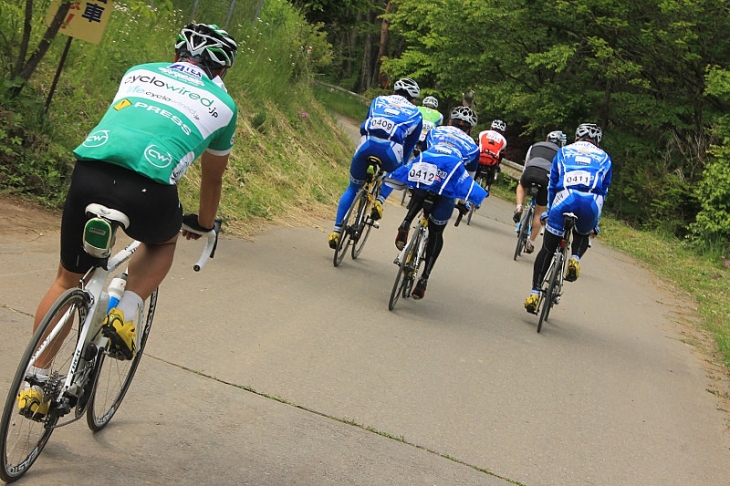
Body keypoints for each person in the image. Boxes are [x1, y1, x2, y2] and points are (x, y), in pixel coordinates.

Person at [17, 23, 238, 418]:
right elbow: (212, 177)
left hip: (91, 170)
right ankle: (127, 310)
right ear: (220, 72)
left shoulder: (138, 71)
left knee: (67, 280)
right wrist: (203, 223)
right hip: (149, 187)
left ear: (176, 55)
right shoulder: (224, 106)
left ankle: (33, 382)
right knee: (162, 241)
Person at [386, 106, 486, 300]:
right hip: (447, 184)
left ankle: (406, 222)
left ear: (450, 122)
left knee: (422, 185)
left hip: (426, 171)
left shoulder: (435, 131)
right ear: (471, 129)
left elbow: (421, 156)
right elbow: (468, 180)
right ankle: (424, 278)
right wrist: (464, 204)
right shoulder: (473, 147)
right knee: (436, 232)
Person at [524, 123, 613, 313]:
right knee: (584, 230)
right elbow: (603, 191)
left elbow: (553, 185)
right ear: (597, 141)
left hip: (565, 199)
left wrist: (548, 210)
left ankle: (535, 293)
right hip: (590, 202)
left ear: (576, 138)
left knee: (547, 249)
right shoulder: (605, 158)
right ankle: (575, 257)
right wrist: (595, 223)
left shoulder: (564, 152)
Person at [328, 78, 423, 249]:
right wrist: (401, 164)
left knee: (352, 188)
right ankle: (380, 200)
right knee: (398, 170)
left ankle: (336, 231)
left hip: (366, 146)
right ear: (413, 99)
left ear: (394, 91)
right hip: (390, 152)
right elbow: (408, 148)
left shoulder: (378, 100)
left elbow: (364, 125)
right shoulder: (416, 113)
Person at [513, 130, 565, 253]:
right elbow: (559, 174)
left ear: (547, 139)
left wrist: (526, 175)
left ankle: (519, 207)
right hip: (545, 177)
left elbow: (527, 163)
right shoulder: (561, 154)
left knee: (521, 185)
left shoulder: (535, 146)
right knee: (538, 213)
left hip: (531, 171)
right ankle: (530, 242)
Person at [475, 119, 508, 188]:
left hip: (480, 157)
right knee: (493, 170)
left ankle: (470, 182)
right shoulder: (504, 140)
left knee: (475, 167)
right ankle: (488, 186)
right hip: (491, 161)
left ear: (491, 128)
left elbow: (476, 145)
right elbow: (501, 155)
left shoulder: (483, 133)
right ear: (502, 132)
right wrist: (497, 165)